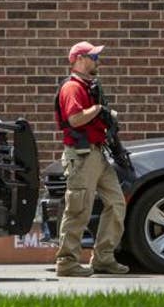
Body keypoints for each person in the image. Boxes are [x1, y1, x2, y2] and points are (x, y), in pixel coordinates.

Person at [52, 41, 129, 278]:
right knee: (79, 209)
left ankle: (104, 258)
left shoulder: (88, 86)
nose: (97, 61)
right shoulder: (72, 88)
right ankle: (67, 262)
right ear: (78, 59)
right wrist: (98, 110)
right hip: (82, 155)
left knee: (116, 203)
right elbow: (75, 119)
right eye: (93, 57)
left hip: (97, 153)